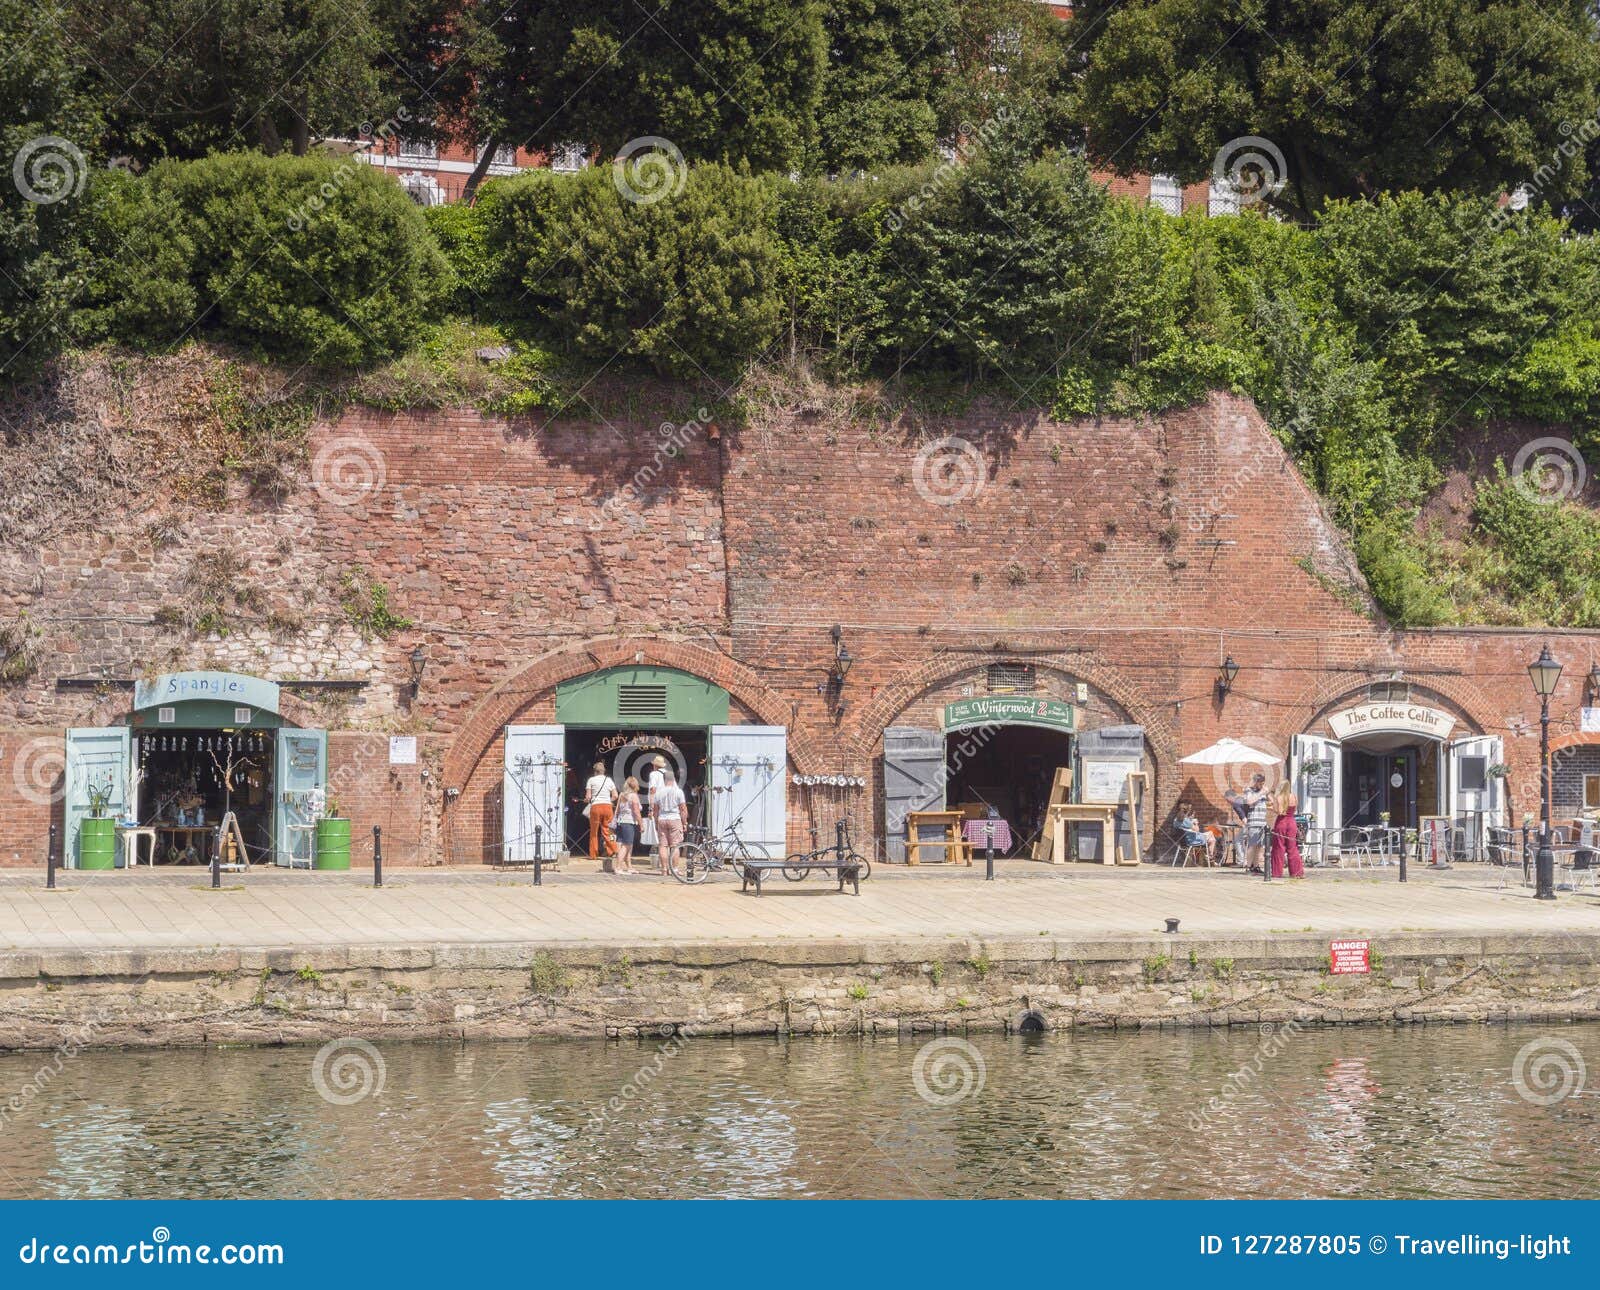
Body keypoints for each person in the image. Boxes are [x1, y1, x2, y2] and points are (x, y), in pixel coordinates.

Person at [653, 767, 687, 877]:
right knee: (675, 845)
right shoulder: (678, 791)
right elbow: (683, 808)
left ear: (664, 780)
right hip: (674, 819)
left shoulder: (658, 793)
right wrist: (684, 822)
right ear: (673, 780)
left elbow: (655, 809)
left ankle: (664, 869)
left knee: (662, 846)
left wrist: (656, 822)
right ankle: (675, 869)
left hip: (662, 819)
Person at [583, 761, 618, 866]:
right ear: (604, 771)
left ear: (595, 771)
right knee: (608, 830)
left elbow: (588, 797)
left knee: (594, 831)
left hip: (596, 807)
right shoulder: (609, 780)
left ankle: (593, 854)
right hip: (607, 807)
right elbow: (615, 795)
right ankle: (612, 850)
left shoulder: (591, 780)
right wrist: (609, 801)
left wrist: (586, 800)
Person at [1235, 772, 1270, 873]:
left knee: (1259, 846)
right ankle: (1249, 866)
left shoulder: (1262, 792)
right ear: (1256, 782)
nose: (1262, 785)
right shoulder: (1249, 790)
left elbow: (1270, 801)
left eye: (1263, 783)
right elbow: (1249, 802)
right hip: (1254, 821)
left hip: (1262, 822)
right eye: (1260, 783)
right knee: (1252, 845)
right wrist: (1261, 793)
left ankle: (1256, 866)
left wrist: (1267, 793)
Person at [1270, 786, 1305, 879]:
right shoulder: (1294, 796)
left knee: (1278, 848)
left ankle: (1277, 873)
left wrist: (1271, 807)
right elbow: (1294, 808)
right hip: (1292, 823)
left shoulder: (1279, 797)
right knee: (1293, 847)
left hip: (1281, 822)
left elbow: (1280, 811)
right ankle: (1297, 873)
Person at [612, 776, 642, 875]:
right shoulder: (633, 796)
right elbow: (636, 812)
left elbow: (617, 810)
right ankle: (618, 867)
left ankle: (629, 867)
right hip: (629, 822)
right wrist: (641, 824)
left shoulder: (622, 795)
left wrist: (614, 822)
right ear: (635, 785)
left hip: (620, 822)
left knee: (624, 845)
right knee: (626, 845)